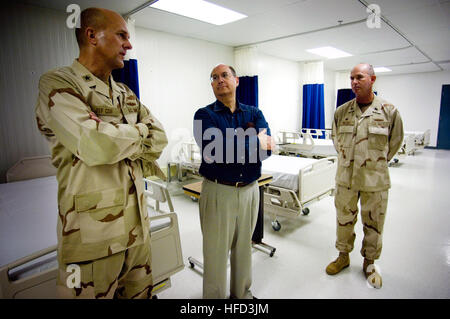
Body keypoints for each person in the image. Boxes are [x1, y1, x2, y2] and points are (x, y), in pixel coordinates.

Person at [35, 8, 168, 298]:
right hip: (93, 241)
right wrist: (139, 133)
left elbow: (160, 137)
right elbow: (95, 144)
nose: (129, 45)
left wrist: (118, 135)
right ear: (92, 35)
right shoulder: (59, 83)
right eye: (122, 35)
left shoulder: (125, 93)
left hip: (137, 230)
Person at [193, 64, 275, 299]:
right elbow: (214, 150)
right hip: (219, 191)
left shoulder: (254, 113)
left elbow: (267, 150)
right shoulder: (204, 115)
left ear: (236, 81)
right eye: (214, 77)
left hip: (250, 190)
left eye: (225, 75)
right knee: (216, 253)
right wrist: (254, 142)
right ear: (211, 85)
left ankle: (242, 295)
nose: (220, 80)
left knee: (243, 250)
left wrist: (236, 145)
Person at [326, 63, 404, 288]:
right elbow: (336, 140)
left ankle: (369, 262)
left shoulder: (389, 111)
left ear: (372, 79)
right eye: (351, 78)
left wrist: (375, 163)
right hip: (346, 179)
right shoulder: (342, 111)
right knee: (344, 220)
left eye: (359, 77)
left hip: (374, 179)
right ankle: (343, 256)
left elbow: (395, 142)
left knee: (374, 223)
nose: (354, 82)